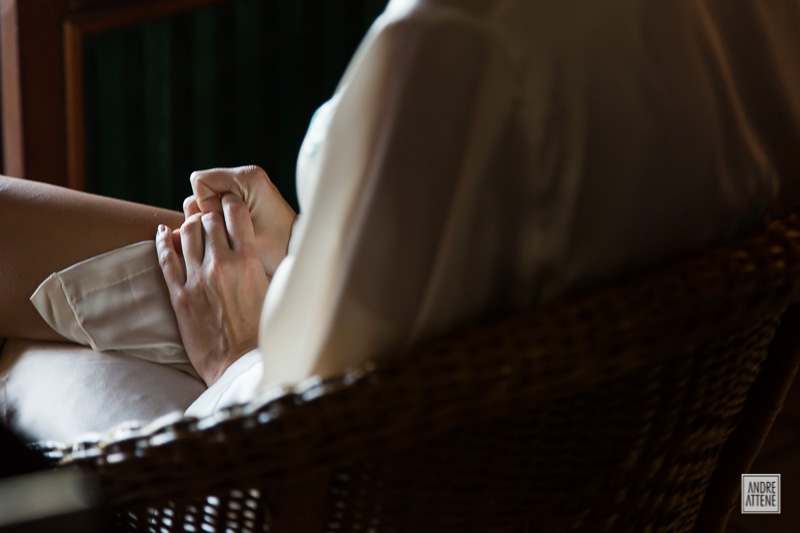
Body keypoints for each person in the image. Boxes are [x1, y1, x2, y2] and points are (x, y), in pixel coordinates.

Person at [2, 0, 800, 440]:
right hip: (639, 432)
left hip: (369, 474)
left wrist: (235, 352)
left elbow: (297, 429)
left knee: (19, 349)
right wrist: (319, 241)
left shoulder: (452, 43)